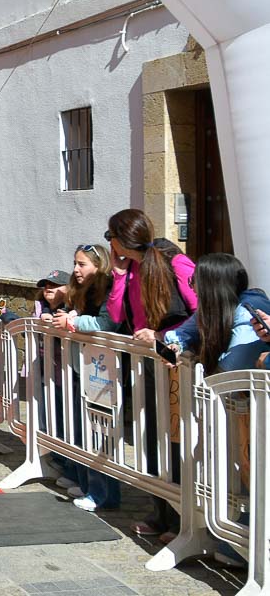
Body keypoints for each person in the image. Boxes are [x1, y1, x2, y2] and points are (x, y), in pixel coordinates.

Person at [162, 253, 270, 566]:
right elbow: (178, 334)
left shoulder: (246, 310)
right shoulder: (215, 308)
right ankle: (239, 542)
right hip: (241, 410)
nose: (192, 287)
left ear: (213, 285)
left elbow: (232, 368)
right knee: (245, 477)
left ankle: (248, 546)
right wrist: (179, 346)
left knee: (253, 476)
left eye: (196, 282)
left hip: (251, 410)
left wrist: (201, 357)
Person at [105, 208, 197, 539]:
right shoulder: (130, 269)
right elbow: (117, 314)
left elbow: (201, 310)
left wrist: (163, 336)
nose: (109, 243)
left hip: (175, 362)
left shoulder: (175, 261)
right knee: (152, 438)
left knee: (177, 439)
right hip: (147, 364)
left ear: (120, 240)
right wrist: (118, 275)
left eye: (110, 236)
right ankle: (161, 512)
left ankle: (184, 519)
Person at [49, 244, 122, 513]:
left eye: (82, 264)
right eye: (75, 263)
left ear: (98, 265)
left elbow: (106, 323)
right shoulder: (83, 290)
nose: (76, 269)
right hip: (86, 367)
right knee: (84, 429)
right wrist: (67, 316)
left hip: (104, 369)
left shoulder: (108, 288)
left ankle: (103, 494)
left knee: (100, 432)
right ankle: (88, 483)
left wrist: (73, 323)